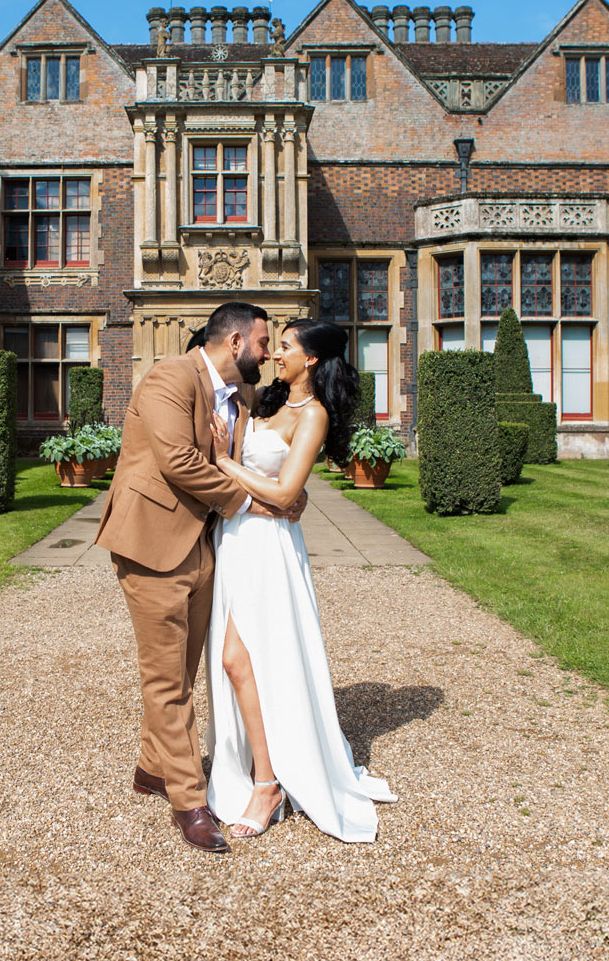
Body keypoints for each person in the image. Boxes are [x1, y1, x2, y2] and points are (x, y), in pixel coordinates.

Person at [93, 302, 305, 854]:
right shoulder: (169, 376)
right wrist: (252, 507)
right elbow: (178, 461)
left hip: (204, 548)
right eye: (263, 343)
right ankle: (188, 801)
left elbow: (251, 458)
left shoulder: (244, 397)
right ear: (235, 343)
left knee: (182, 673)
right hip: (150, 544)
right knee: (165, 680)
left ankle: (149, 768)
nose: (268, 353)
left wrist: (289, 493)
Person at [205, 318, 397, 842]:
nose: (275, 355)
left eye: (284, 346)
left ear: (311, 358)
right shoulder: (263, 402)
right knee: (236, 660)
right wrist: (251, 485)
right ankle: (262, 772)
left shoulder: (311, 415)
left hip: (269, 551)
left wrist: (224, 462)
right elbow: (276, 494)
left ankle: (267, 783)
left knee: (241, 658)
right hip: (237, 540)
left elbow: (289, 493)